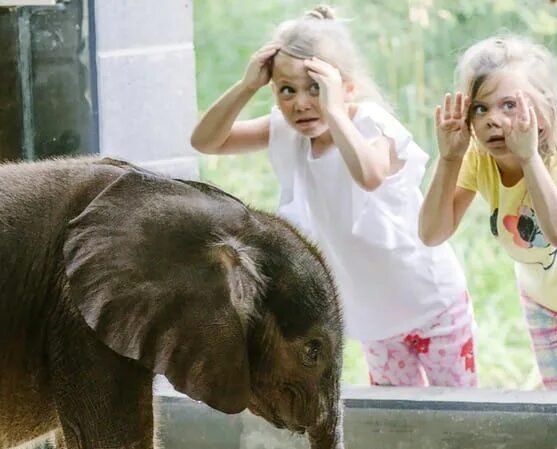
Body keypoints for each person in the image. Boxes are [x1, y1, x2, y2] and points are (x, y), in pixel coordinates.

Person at [190, 5, 477, 387]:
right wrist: (247, 86)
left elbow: (370, 175)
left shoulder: (369, 123)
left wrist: (336, 111)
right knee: (402, 428)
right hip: (374, 322)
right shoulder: (287, 132)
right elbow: (206, 140)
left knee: (461, 419)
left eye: (316, 89)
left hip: (433, 306)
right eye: (287, 91)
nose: (302, 103)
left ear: (347, 89)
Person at [419, 35, 557, 391]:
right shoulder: (478, 159)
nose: (494, 120)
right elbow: (432, 233)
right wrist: (448, 158)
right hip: (545, 305)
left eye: (509, 105)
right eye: (481, 108)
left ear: (544, 111)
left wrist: (528, 158)